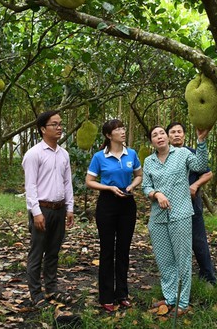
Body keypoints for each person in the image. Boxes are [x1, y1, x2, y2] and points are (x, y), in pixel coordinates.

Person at [142, 125, 210, 315]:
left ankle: (183, 303)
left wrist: (201, 142)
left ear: (167, 137)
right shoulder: (149, 161)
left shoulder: (182, 154)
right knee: (165, 261)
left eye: (162, 133)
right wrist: (156, 194)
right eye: (154, 135)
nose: (159, 137)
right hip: (158, 218)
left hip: (180, 214)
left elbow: (201, 166)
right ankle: (170, 297)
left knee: (183, 259)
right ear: (152, 142)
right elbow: (146, 186)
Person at [85, 119, 142, 313]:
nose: (123, 131)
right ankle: (106, 296)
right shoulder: (99, 157)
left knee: (124, 250)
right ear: (109, 135)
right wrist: (109, 187)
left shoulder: (131, 154)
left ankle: (122, 294)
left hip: (127, 203)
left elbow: (139, 175)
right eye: (118, 129)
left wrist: (132, 186)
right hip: (107, 204)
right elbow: (89, 181)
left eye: (123, 128)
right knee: (107, 250)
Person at [22, 110, 75, 307]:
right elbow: (31, 187)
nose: (59, 127)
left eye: (60, 124)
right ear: (43, 129)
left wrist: (69, 208)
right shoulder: (33, 154)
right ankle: (36, 294)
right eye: (54, 124)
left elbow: (67, 182)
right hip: (42, 210)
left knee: (53, 252)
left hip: (59, 209)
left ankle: (51, 289)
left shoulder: (64, 154)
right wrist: (36, 213)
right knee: (37, 252)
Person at [166, 122, 217, 285]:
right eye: (172, 132)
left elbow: (208, 173)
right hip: (169, 206)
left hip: (192, 204)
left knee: (198, 240)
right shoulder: (162, 155)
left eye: (179, 131)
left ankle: (208, 277)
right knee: (172, 244)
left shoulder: (192, 153)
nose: (176, 134)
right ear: (167, 136)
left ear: (184, 135)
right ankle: (176, 279)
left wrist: (195, 185)